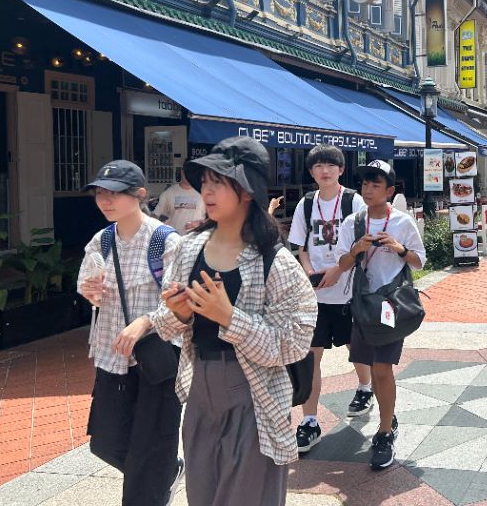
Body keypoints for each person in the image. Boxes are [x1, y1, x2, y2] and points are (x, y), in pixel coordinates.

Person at [153, 137, 317, 506]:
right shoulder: (186, 248)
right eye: (205, 182)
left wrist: (229, 317)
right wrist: (179, 313)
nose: (206, 192)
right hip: (199, 392)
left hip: (255, 395)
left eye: (218, 182)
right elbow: (165, 324)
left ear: (245, 191)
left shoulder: (275, 261)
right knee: (202, 496)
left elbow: (294, 343)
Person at [77, 160, 184, 506]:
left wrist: (145, 322)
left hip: (156, 358)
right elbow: (85, 284)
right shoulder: (102, 240)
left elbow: (182, 304)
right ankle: (167, 470)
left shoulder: (165, 241)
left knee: (148, 448)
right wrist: (90, 291)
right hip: (112, 356)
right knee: (106, 442)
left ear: (139, 194)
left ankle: (156, 477)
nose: (105, 200)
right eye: (100, 193)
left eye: (115, 193)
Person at [335, 160, 426, 470]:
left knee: (382, 368)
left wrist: (400, 249)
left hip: (391, 305)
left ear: (389, 191)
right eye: (365, 184)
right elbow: (342, 265)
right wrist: (356, 250)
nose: (368, 189)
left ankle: (384, 433)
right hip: (362, 306)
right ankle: (389, 414)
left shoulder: (401, 222)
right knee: (373, 369)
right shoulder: (353, 222)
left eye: (376, 185)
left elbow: (419, 261)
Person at [287, 145, 372, 453]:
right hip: (315, 297)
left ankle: (365, 387)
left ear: (341, 170)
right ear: (311, 172)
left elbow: (363, 244)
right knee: (311, 357)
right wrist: (309, 272)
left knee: (356, 348)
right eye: (318, 166)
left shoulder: (353, 201)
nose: (324, 171)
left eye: (330, 166)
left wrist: (337, 270)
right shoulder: (306, 204)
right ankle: (309, 421)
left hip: (348, 292)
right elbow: (301, 246)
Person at [155, 169, 206, 233]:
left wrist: (199, 223)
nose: (189, 175)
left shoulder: (204, 193)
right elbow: (155, 216)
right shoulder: (168, 193)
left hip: (197, 237)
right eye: (187, 171)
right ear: (182, 171)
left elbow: (214, 219)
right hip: (174, 237)